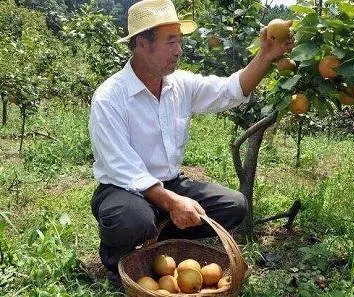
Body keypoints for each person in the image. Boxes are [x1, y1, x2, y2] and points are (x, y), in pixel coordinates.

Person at [88, 0, 293, 288]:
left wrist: (265, 56)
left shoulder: (179, 85)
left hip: (170, 183)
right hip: (123, 189)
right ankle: (118, 264)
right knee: (130, 218)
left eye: (179, 41)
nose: (179, 50)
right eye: (170, 41)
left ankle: (161, 246)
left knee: (234, 206)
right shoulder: (110, 97)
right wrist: (172, 202)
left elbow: (230, 90)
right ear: (142, 44)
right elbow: (122, 166)